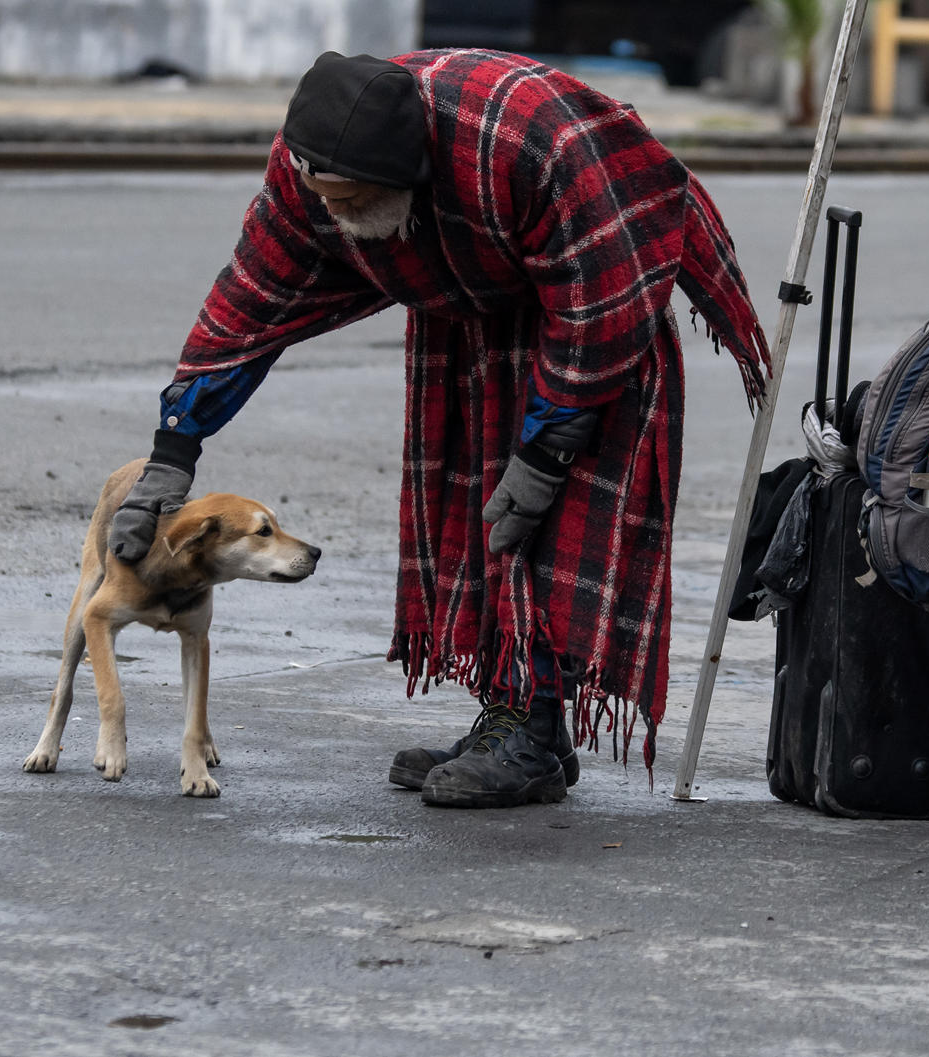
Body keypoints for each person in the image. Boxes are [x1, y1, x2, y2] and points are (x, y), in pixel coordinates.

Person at [107, 49, 769, 809]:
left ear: (410, 177)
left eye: (353, 203)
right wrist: (173, 451)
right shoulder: (309, 167)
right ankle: (526, 725)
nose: (336, 218)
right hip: (468, 311)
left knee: (547, 526)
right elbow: (251, 301)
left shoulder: (529, 147)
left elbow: (599, 299)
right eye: (326, 200)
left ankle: (528, 731)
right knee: (471, 520)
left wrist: (550, 445)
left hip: (596, 317)